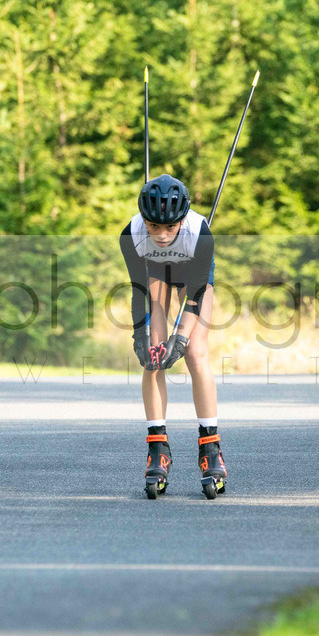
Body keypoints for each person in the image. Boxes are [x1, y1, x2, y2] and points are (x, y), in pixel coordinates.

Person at [119, 173, 227, 500]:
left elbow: (194, 295)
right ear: (144, 221)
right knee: (153, 357)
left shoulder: (199, 234)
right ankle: (158, 448)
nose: (163, 235)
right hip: (155, 276)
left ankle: (211, 448)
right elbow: (140, 291)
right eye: (154, 227)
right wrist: (140, 337)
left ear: (182, 220)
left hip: (194, 276)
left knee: (195, 353)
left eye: (170, 227)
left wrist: (180, 338)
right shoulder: (131, 234)